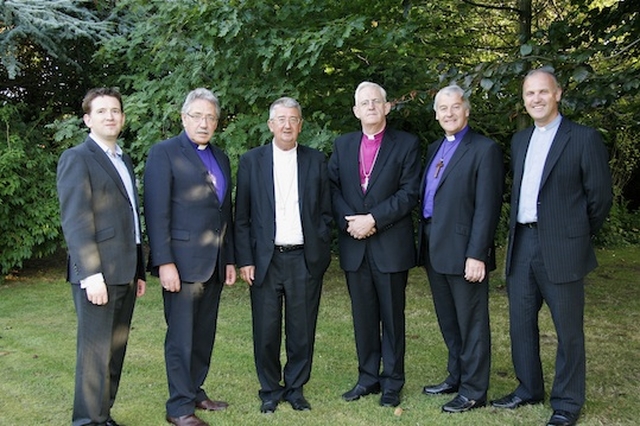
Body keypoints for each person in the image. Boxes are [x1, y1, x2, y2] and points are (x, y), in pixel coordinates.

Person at [491, 68, 612, 426]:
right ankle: (528, 387)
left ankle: (567, 402)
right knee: (521, 322)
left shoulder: (583, 138)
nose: (536, 99)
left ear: (557, 94)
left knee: (567, 329)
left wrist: (574, 234)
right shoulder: (521, 140)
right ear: (524, 100)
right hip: (523, 242)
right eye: (529, 94)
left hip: (563, 246)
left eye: (543, 92)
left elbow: (600, 199)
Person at [144, 88, 236, 426]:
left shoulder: (221, 157)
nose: (204, 122)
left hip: (213, 263)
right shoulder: (164, 153)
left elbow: (225, 212)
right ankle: (179, 408)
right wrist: (164, 261)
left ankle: (195, 390)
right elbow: (156, 212)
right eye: (197, 116)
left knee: (203, 334)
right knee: (181, 337)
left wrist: (229, 259)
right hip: (180, 265)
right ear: (184, 118)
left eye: (211, 117)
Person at [235, 97, 332, 414]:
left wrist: (320, 245)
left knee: (301, 330)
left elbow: (326, 211)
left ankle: (295, 388)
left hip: (304, 258)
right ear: (271, 125)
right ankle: (269, 389)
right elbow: (242, 217)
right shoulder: (252, 161)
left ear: (300, 125)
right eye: (281, 119)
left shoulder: (316, 161)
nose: (287, 125)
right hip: (265, 260)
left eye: (293, 119)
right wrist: (246, 259)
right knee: (266, 329)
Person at [328, 81, 421, 408]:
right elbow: (333, 188)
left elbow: (410, 192)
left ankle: (393, 381)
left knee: (392, 317)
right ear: (356, 111)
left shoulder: (407, 144)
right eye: (363, 103)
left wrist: (374, 220)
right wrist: (350, 222)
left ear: (387, 107)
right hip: (355, 245)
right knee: (363, 316)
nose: (370, 106)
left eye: (375, 101)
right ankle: (368, 377)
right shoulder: (342, 145)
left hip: (390, 246)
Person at [57, 87, 146, 426]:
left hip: (124, 271)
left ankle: (102, 415)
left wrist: (138, 270)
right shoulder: (77, 158)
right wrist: (91, 274)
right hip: (97, 275)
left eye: (115, 111)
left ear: (122, 118)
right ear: (87, 119)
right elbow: (76, 220)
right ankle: (86, 421)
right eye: (102, 111)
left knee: (114, 351)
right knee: (94, 354)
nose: (110, 116)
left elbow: (130, 219)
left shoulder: (122, 158)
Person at [418, 85, 503, 413]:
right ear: (436, 114)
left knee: (471, 323)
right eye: (442, 108)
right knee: (449, 320)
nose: (448, 113)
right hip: (434, 247)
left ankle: (474, 390)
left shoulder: (484, 149)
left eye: (455, 107)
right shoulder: (435, 147)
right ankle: (456, 375)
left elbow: (487, 206)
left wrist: (477, 253)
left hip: (465, 251)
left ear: (466, 110)